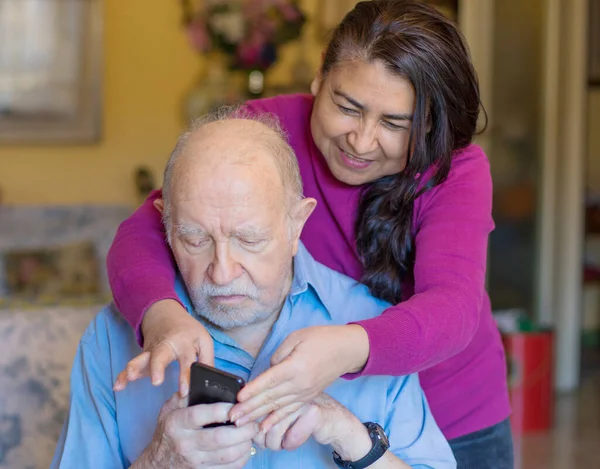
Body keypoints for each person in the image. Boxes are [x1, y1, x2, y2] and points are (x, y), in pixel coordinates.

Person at [108, 1, 513, 467]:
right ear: (320, 75)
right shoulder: (265, 134)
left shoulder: (456, 170)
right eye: (347, 107)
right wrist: (163, 316)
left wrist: (344, 346)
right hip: (323, 410)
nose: (361, 142)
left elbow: (455, 307)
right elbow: (147, 232)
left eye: (394, 124)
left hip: (457, 413)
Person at [51, 114, 456, 469]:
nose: (222, 273)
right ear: (166, 227)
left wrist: (348, 434)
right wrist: (160, 463)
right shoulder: (110, 341)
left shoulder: (372, 327)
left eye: (249, 239)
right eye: (194, 239)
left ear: (297, 225)